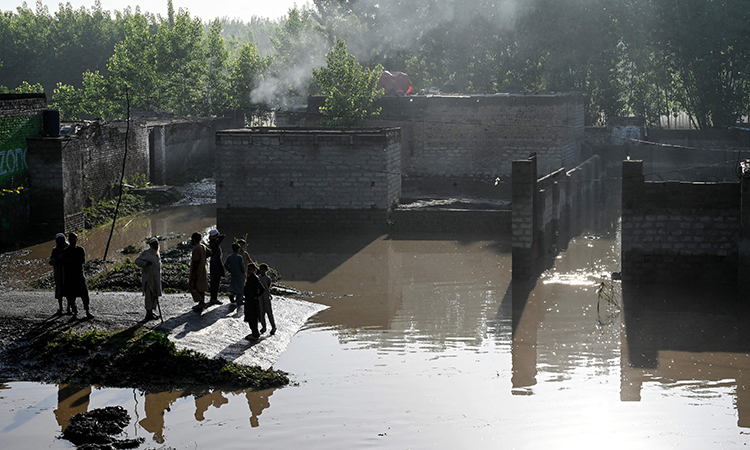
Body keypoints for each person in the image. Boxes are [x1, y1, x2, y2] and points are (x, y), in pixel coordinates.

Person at [62, 232, 92, 319]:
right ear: (68, 240)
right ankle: (75, 312)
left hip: (79, 275)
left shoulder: (80, 250)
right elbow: (66, 262)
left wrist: (72, 261)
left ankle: (87, 311)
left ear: (77, 239)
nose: (72, 240)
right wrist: (73, 261)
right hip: (70, 276)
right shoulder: (66, 251)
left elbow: (82, 260)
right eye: (71, 239)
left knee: (84, 294)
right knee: (71, 296)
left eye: (74, 239)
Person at [135, 237, 162, 321]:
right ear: (150, 245)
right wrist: (145, 263)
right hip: (148, 279)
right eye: (154, 244)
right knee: (149, 296)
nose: (156, 246)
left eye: (157, 244)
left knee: (155, 296)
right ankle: (148, 314)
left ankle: (151, 312)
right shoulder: (146, 253)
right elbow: (137, 261)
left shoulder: (157, 253)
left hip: (156, 279)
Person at [189, 232, 211, 312]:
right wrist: (203, 259)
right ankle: (202, 302)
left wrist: (193, 273)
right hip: (203, 269)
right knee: (202, 286)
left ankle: (201, 302)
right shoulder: (203, 246)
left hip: (197, 270)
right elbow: (210, 253)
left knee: (195, 286)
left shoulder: (196, 248)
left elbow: (195, 261)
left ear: (194, 239)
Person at [243, 264, 266, 340]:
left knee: (253, 318)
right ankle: (254, 333)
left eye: (251, 269)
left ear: (254, 270)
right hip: (249, 300)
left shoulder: (255, 278)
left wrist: (256, 296)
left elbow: (262, 289)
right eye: (248, 269)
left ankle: (255, 334)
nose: (249, 271)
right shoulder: (250, 278)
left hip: (253, 301)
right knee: (250, 318)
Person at [49, 233, 69, 315]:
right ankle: (61, 308)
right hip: (59, 272)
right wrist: (57, 259)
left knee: (68, 290)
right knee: (59, 290)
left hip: (67, 272)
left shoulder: (68, 248)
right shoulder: (55, 250)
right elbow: (51, 261)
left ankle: (68, 307)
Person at [207, 229, 225, 305]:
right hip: (215, 265)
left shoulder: (213, 243)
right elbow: (223, 236)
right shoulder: (214, 244)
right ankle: (214, 298)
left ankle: (213, 297)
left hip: (215, 264)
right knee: (215, 282)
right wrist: (217, 236)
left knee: (214, 282)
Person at [224, 242, 246, 307]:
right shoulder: (239, 257)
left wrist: (230, 270)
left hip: (233, 273)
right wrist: (243, 272)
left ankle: (232, 294)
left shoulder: (229, 257)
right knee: (240, 286)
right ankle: (239, 301)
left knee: (233, 285)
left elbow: (225, 265)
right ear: (238, 249)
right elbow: (242, 266)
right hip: (239, 273)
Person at [257, 264, 276, 336]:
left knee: (269, 313)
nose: (262, 271)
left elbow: (268, 286)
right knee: (261, 313)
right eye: (261, 269)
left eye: (263, 269)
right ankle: (264, 327)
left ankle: (273, 327)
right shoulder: (258, 278)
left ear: (266, 270)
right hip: (260, 297)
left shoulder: (268, 278)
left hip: (266, 296)